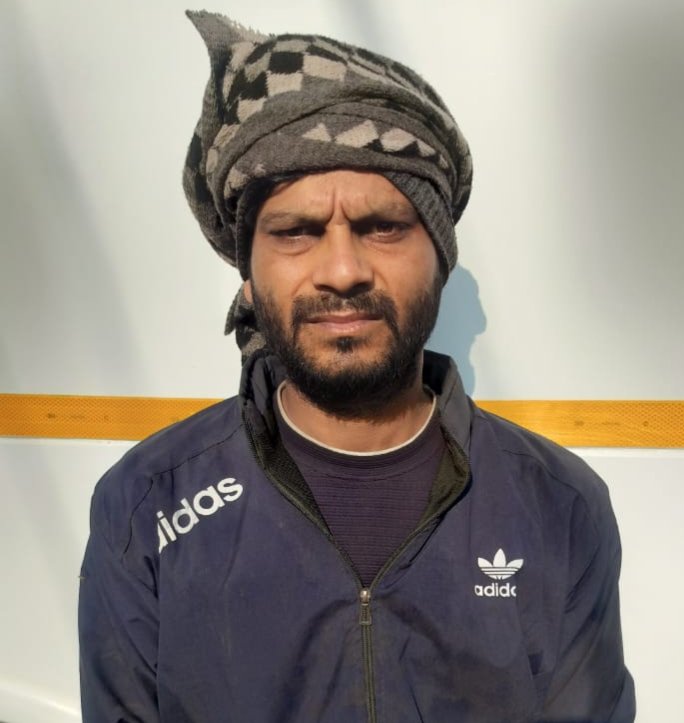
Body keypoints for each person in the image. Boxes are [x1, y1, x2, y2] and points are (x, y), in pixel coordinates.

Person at [78, 10, 635, 722]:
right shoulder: (145, 504)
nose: (342, 270)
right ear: (248, 275)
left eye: (383, 227)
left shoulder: (559, 506)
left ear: (439, 256)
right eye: (296, 232)